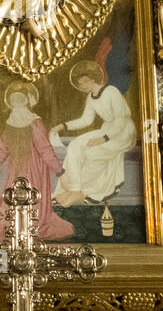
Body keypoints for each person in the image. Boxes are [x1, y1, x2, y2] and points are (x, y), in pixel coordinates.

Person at [0, 82, 73, 242]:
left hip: (16, 169)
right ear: (29, 100)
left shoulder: (11, 123)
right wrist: (60, 172)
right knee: (32, 204)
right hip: (35, 171)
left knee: (11, 204)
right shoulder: (35, 122)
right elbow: (46, 151)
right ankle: (24, 227)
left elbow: (3, 149)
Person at [52, 59, 135, 205]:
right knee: (75, 145)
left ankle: (85, 192)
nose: (83, 85)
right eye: (80, 83)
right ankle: (75, 189)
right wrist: (63, 126)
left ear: (93, 78)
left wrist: (103, 139)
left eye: (85, 81)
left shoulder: (111, 91)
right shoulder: (91, 97)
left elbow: (120, 120)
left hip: (123, 133)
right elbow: (85, 120)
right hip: (108, 129)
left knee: (91, 153)